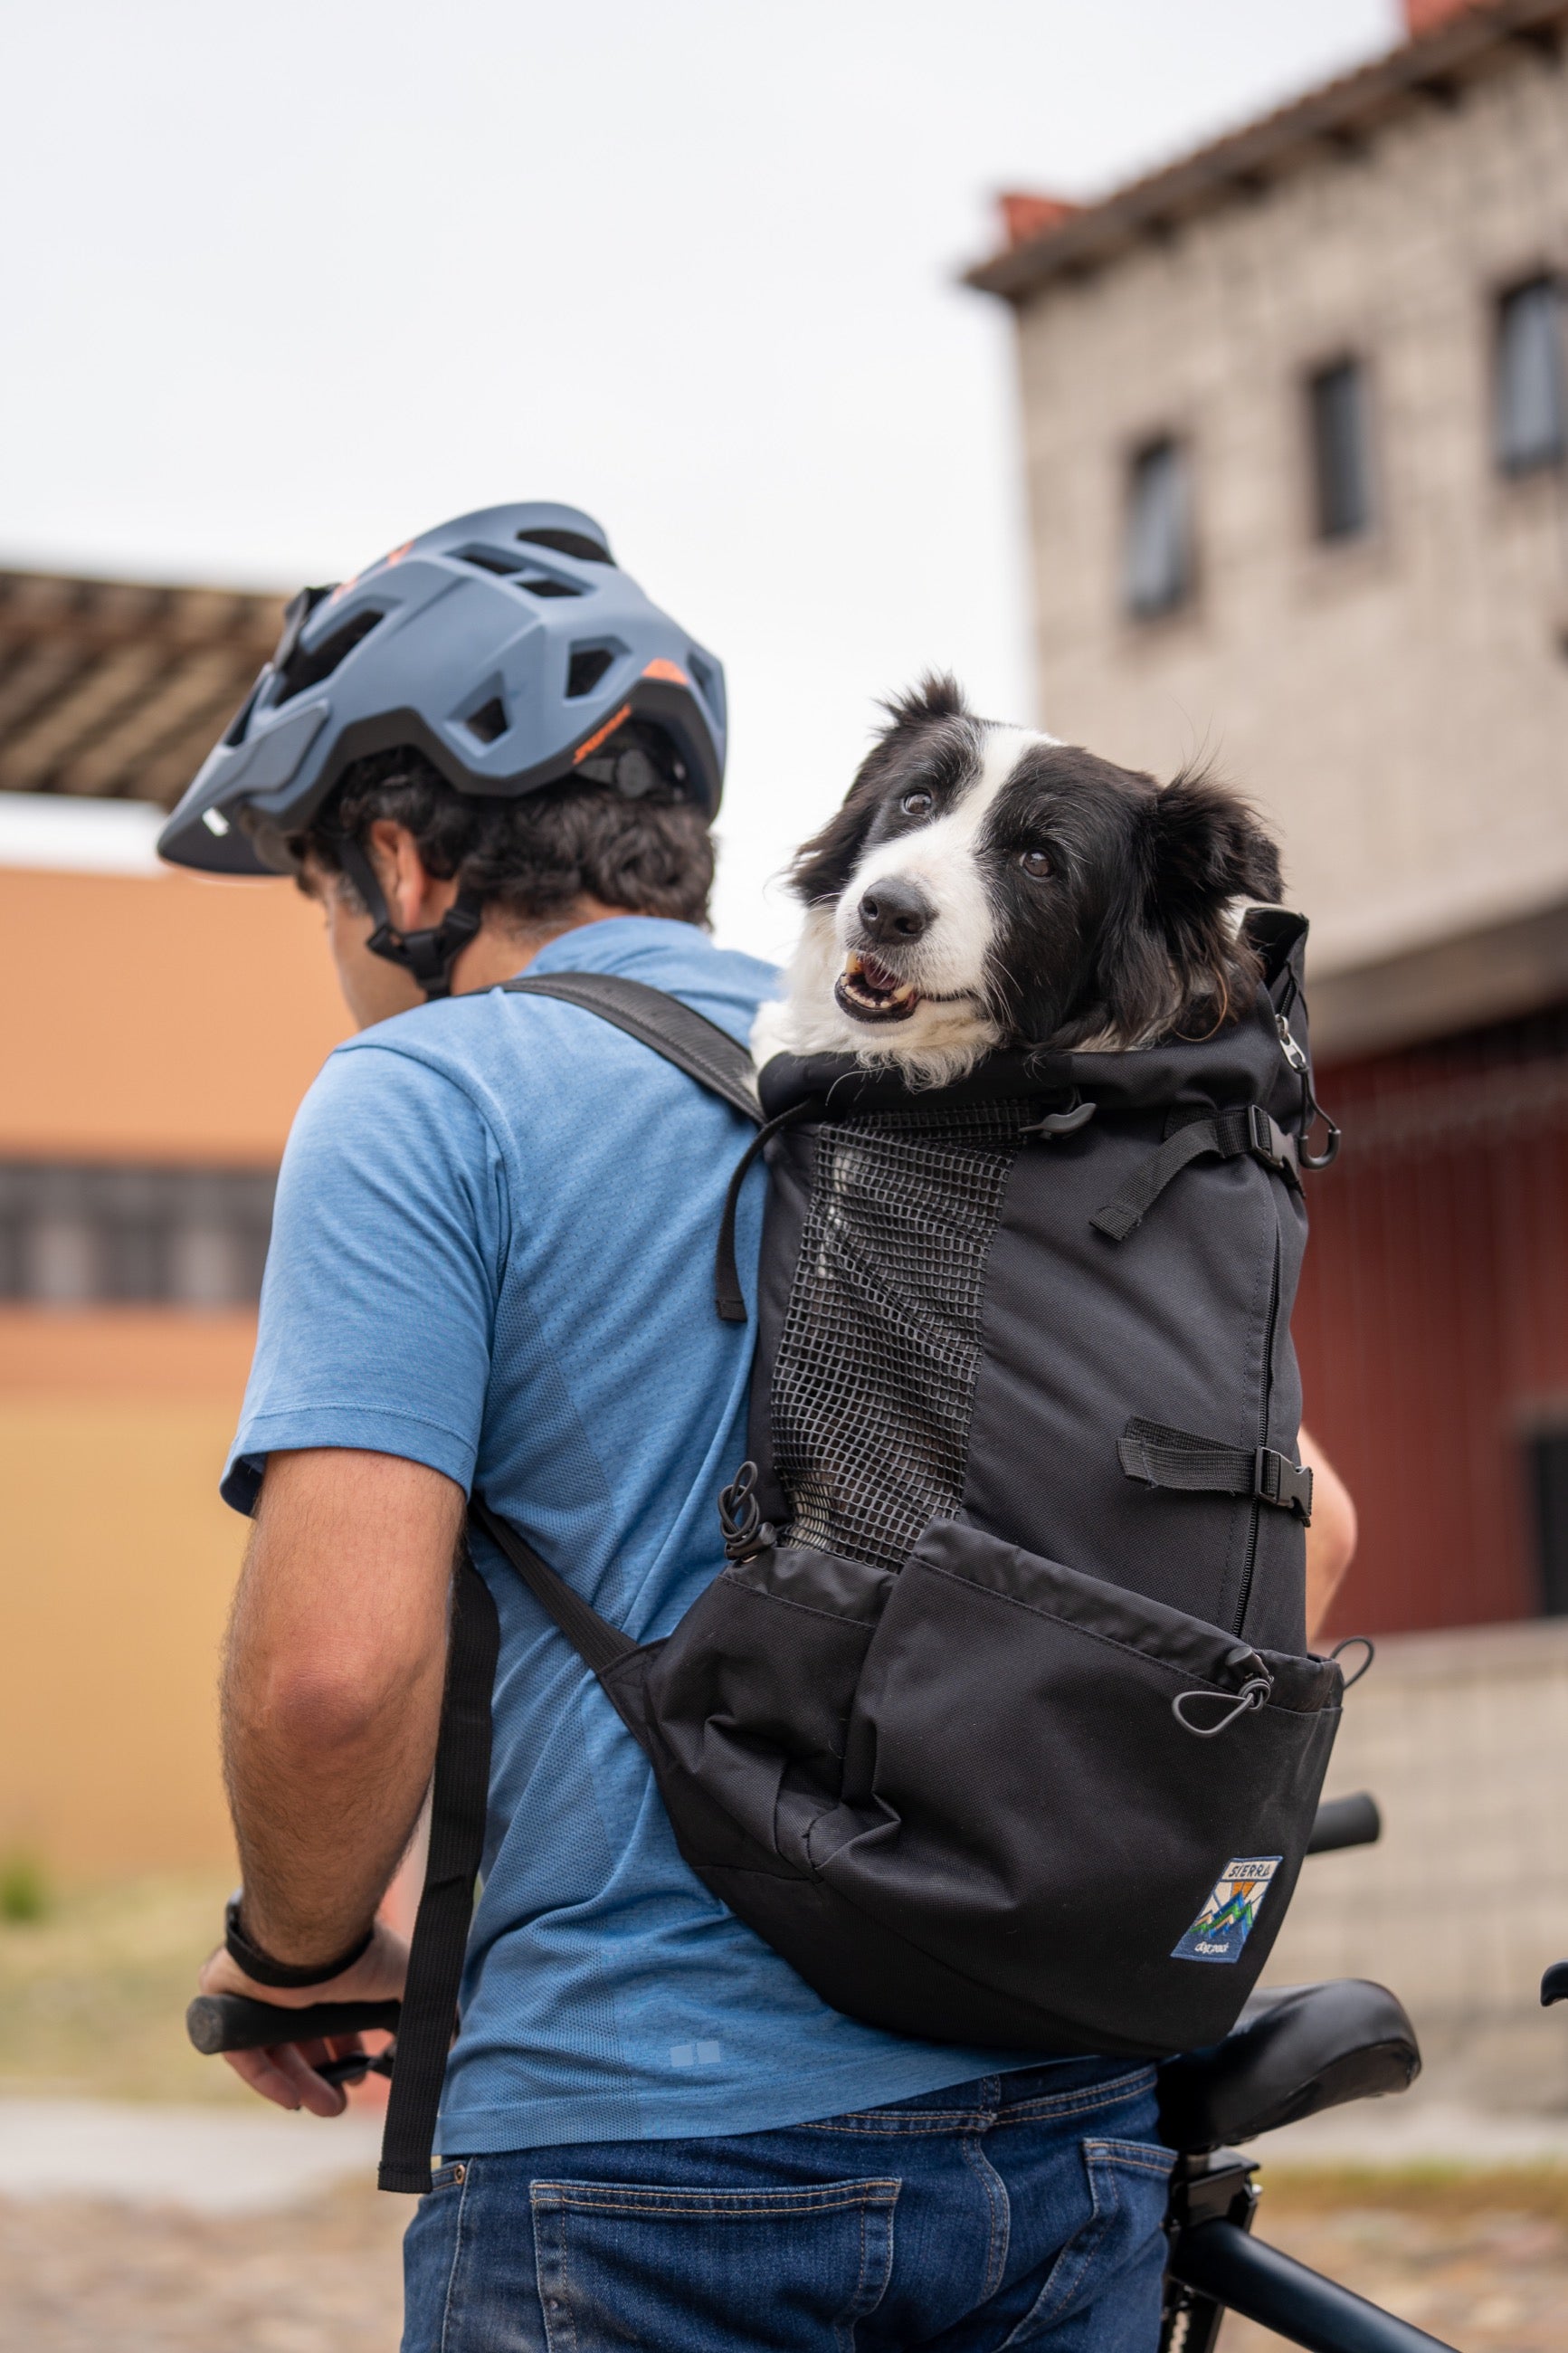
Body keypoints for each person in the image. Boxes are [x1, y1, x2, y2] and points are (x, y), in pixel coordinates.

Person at [169, 503, 1358, 2353]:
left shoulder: (420, 1097)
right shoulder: (984, 1081)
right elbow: (1314, 1538)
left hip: (649, 2157)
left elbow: (335, 1672)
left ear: (396, 863)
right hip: (1060, 2138)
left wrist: (299, 1948)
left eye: (317, 882)